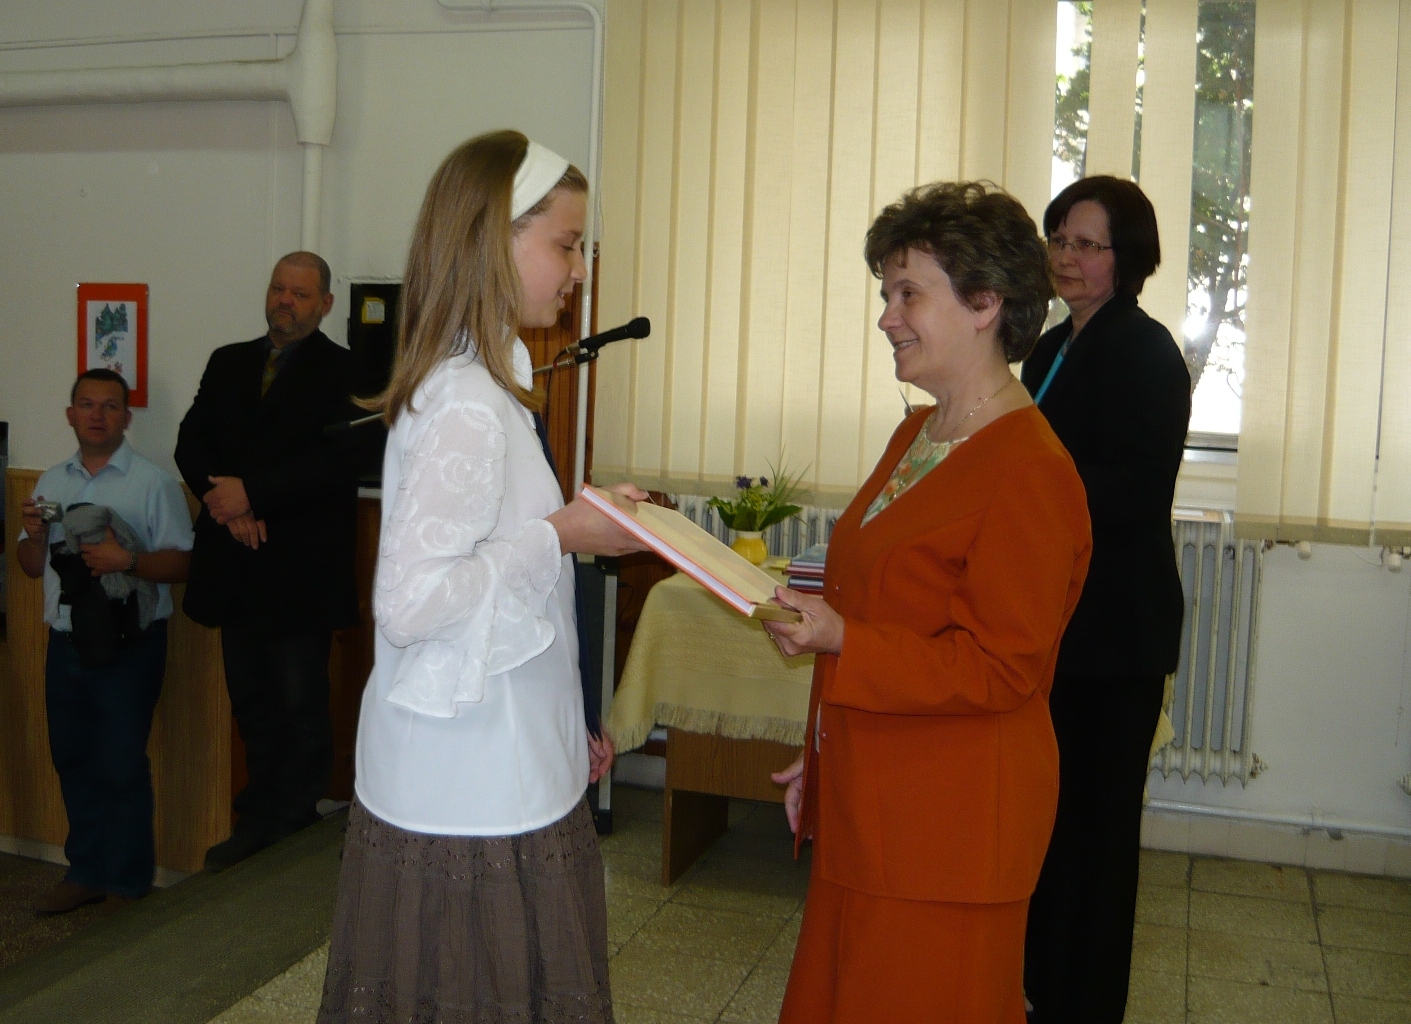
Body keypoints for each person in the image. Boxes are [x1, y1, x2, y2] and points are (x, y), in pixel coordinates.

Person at [316, 130, 646, 1024]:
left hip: (505, 747)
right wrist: (564, 533)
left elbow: (504, 579)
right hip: (467, 777)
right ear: (494, 239)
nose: (578, 270)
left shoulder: (487, 381)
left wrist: (563, 723)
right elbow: (413, 603)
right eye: (566, 244)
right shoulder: (465, 398)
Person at [764, 182, 1092, 1022]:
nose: (886, 318)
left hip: (948, 831)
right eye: (886, 294)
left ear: (985, 303)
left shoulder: (1030, 470)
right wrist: (822, 750)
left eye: (908, 293)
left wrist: (840, 639)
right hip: (873, 801)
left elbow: (999, 667)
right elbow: (885, 608)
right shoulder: (917, 434)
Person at [1019, 176, 1191, 1024]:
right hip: (1055, 624)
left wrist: (1023, 489)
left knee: (1096, 838)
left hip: (1115, 633)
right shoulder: (1050, 347)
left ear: (1127, 258)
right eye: (1059, 238)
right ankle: (1036, 991)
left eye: (1087, 244)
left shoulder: (1145, 351)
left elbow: (1132, 490)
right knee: (1045, 827)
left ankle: (1084, 1007)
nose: (1067, 256)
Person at [175, 251, 369, 871]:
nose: (285, 300)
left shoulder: (348, 370)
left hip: (300, 572)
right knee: (251, 698)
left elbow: (339, 460)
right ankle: (256, 819)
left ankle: (295, 821)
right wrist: (228, 504)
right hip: (235, 565)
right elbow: (191, 443)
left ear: (325, 304)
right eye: (279, 288)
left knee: (299, 699)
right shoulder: (227, 361)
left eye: (300, 293)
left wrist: (253, 494)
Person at [17, 370, 193, 913]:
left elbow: (184, 564)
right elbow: (30, 565)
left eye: (110, 406)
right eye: (87, 405)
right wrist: (37, 537)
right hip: (66, 641)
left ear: (126, 418)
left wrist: (127, 560)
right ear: (70, 414)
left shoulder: (153, 483)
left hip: (130, 644)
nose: (97, 415)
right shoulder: (51, 481)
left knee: (120, 763)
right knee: (72, 758)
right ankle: (87, 872)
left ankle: (128, 883)